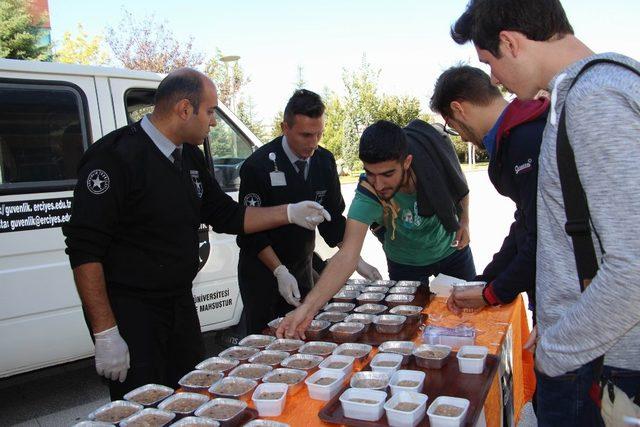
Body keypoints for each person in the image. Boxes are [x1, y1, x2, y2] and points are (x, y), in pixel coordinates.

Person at [62, 69, 331, 400]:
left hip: (179, 304)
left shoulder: (188, 156)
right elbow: (84, 249)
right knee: (142, 409)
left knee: (188, 395)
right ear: (184, 110)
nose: (214, 122)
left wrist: (289, 212)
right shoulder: (116, 157)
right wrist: (105, 332)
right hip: (132, 312)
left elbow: (225, 214)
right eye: (210, 111)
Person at [452, 1, 640, 424]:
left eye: (488, 63)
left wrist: (558, 349)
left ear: (510, 43)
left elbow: (633, 266)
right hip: (593, 347)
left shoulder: (595, 99)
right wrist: (564, 321)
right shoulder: (584, 92)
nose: (493, 79)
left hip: (605, 363)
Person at [278, 119, 476, 339]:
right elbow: (347, 256)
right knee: (411, 330)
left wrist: (465, 221)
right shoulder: (368, 193)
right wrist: (307, 309)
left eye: (387, 174)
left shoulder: (433, 167)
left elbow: (460, 188)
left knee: (470, 318)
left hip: (450, 250)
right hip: (405, 263)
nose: (378, 184)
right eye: (370, 173)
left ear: (407, 162)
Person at [236, 89, 381, 334]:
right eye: (305, 135)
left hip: (302, 266)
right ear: (285, 127)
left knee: (304, 332)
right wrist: (279, 271)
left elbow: (332, 219)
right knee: (266, 339)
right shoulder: (257, 166)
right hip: (263, 271)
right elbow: (249, 231)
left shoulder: (324, 161)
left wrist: (355, 258)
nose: (313, 143)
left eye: (318, 134)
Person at [430, 65, 548, 315]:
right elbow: (525, 224)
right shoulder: (516, 133)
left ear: (458, 109)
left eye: (453, 126)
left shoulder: (525, 140)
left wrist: (492, 292)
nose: (461, 138)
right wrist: (485, 281)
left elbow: (543, 237)